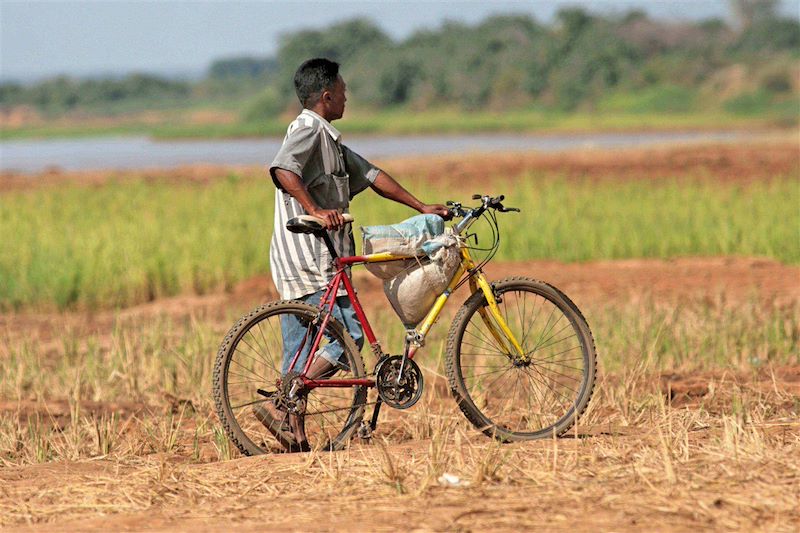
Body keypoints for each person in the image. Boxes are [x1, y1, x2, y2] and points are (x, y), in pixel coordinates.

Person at [254, 57, 449, 451]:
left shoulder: (330, 140)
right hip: (310, 256)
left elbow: (374, 176)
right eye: (343, 90)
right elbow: (282, 170)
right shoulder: (308, 130)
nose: (347, 96)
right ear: (326, 96)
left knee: (301, 347)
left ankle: (294, 432)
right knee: (349, 337)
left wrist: (422, 207)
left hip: (298, 257)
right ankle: (282, 402)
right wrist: (314, 210)